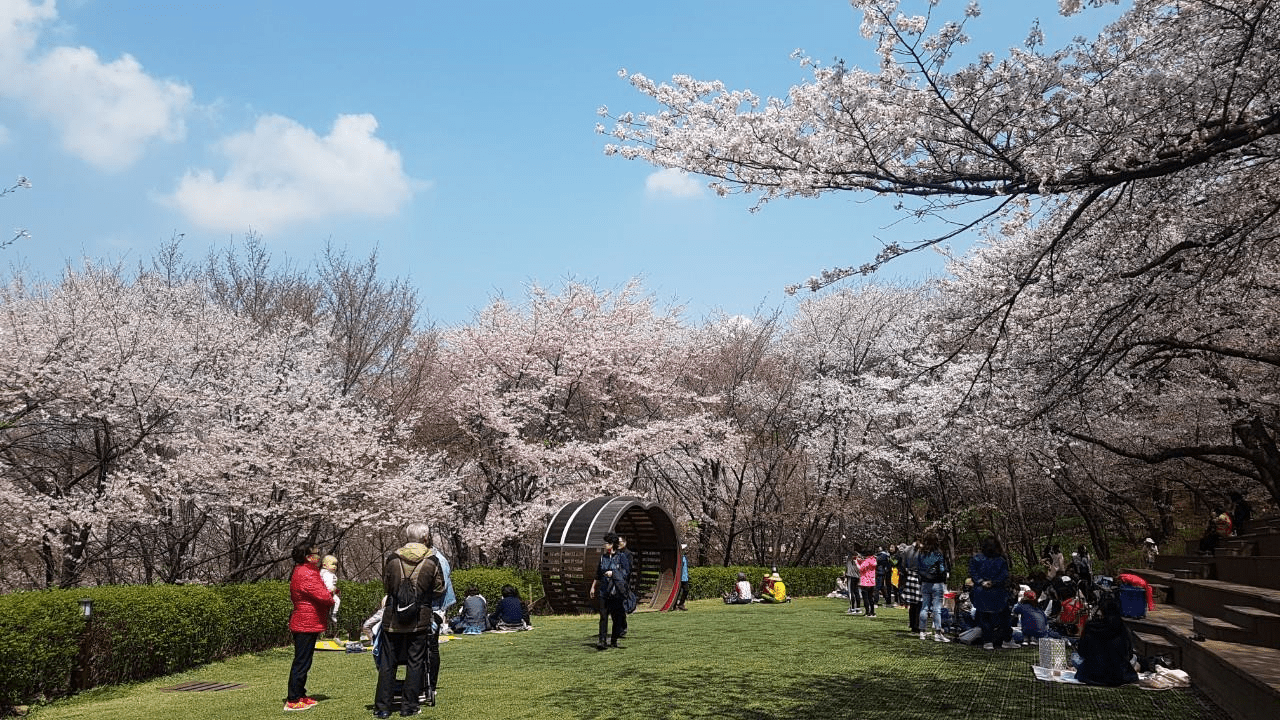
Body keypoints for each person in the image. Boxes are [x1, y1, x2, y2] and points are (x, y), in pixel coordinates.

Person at [374, 523, 446, 718]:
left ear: (407, 537)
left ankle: (382, 707)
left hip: (393, 617)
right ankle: (409, 706)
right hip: (419, 616)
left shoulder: (393, 558)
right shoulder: (431, 560)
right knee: (416, 661)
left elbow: (387, 586)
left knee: (388, 662)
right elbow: (440, 588)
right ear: (425, 538)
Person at [285, 542, 334, 712]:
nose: (319, 556)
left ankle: (300, 694)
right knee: (302, 661)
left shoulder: (304, 571)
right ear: (307, 557)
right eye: (315, 553)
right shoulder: (307, 573)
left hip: (307, 621)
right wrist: (332, 594)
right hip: (305, 622)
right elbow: (323, 596)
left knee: (305, 660)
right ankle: (293, 698)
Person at [1073, 595, 1139, 686]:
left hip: (1091, 674)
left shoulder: (1091, 627)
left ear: (1102, 611)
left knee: (1074, 657)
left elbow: (1082, 652)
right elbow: (1129, 654)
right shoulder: (1123, 628)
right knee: (1135, 659)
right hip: (1118, 676)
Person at [968, 535, 1011, 650]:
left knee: (984, 617)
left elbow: (973, 572)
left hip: (981, 591)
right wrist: (994, 582)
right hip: (998, 592)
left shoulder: (976, 558)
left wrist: (981, 582)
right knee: (1003, 617)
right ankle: (1005, 640)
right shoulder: (1001, 560)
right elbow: (1004, 575)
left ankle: (988, 641)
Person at [590, 532, 630, 648]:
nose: (605, 545)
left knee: (616, 617)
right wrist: (593, 587)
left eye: (607, 543)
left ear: (612, 544)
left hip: (616, 592)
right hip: (604, 591)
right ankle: (602, 640)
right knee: (603, 616)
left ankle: (614, 640)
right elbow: (598, 574)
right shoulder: (603, 557)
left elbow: (626, 573)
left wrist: (613, 573)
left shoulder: (621, 557)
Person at [916, 533, 948, 642]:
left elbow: (918, 567)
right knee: (936, 608)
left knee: (924, 607)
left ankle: (922, 632)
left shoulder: (921, 553)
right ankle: (938, 633)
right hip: (937, 582)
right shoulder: (938, 553)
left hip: (925, 582)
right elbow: (942, 569)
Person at [899, 539, 923, 633]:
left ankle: (913, 624)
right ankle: (917, 625)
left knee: (912, 603)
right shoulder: (921, 550)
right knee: (919, 603)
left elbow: (903, 565)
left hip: (909, 576)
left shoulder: (907, 550)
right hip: (918, 577)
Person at [856, 549, 878, 618]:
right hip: (872, 582)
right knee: (871, 598)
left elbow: (860, 568)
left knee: (865, 598)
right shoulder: (873, 560)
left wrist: (856, 562)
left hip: (865, 582)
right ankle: (872, 612)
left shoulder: (867, 561)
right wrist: (860, 560)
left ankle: (867, 612)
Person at [320, 554, 341, 626]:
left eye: (336, 565)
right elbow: (328, 584)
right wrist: (332, 589)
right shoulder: (327, 574)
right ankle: (333, 613)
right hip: (328, 592)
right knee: (337, 601)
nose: (335, 566)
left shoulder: (324, 573)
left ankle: (332, 614)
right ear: (325, 565)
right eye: (333, 564)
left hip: (326, 592)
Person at [671, 543, 690, 611]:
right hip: (680, 578)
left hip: (685, 577)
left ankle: (680, 604)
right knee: (678, 592)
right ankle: (676, 605)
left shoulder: (685, 557)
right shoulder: (680, 558)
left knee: (685, 591)